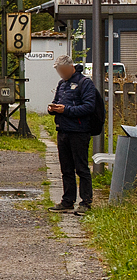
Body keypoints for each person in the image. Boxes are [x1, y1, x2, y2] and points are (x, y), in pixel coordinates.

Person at [48, 54, 98, 213]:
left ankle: (86, 202)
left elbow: (89, 107)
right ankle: (68, 200)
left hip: (79, 131)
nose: (61, 74)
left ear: (71, 67)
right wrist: (52, 109)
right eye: (59, 72)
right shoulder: (62, 84)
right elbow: (57, 101)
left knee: (81, 168)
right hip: (62, 130)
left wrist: (66, 110)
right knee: (66, 168)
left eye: (63, 71)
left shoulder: (85, 83)